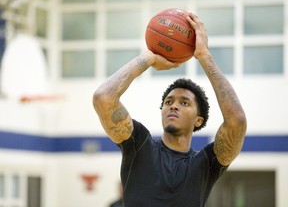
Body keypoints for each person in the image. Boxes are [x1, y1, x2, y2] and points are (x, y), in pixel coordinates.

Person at [93, 13, 247, 207]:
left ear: (198, 120)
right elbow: (103, 98)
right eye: (168, 102)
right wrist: (148, 57)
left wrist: (204, 57)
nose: (173, 105)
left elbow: (237, 121)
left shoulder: (206, 164)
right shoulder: (139, 145)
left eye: (184, 103)